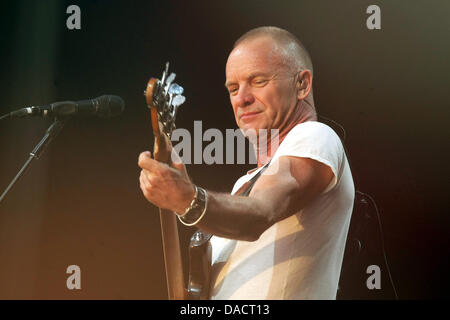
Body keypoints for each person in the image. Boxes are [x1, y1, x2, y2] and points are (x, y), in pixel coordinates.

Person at [138, 26, 355, 299]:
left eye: (258, 81)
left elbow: (261, 212)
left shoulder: (317, 136)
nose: (242, 98)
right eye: (233, 88)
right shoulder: (243, 186)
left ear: (302, 84)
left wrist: (189, 200)